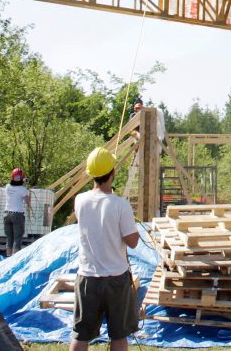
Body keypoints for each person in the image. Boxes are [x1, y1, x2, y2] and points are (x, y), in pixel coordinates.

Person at [70, 147, 140, 351]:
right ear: (113, 173)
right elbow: (132, 241)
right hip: (116, 278)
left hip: (87, 277)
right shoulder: (120, 204)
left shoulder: (80, 200)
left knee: (80, 334)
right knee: (119, 335)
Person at [4, 168, 31, 256]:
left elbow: (15, 184)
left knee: (9, 238)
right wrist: (28, 192)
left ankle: (8, 257)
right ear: (22, 177)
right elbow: (27, 202)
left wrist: (21, 181)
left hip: (7, 214)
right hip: (17, 215)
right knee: (17, 238)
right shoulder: (22, 189)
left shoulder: (7, 187)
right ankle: (15, 260)